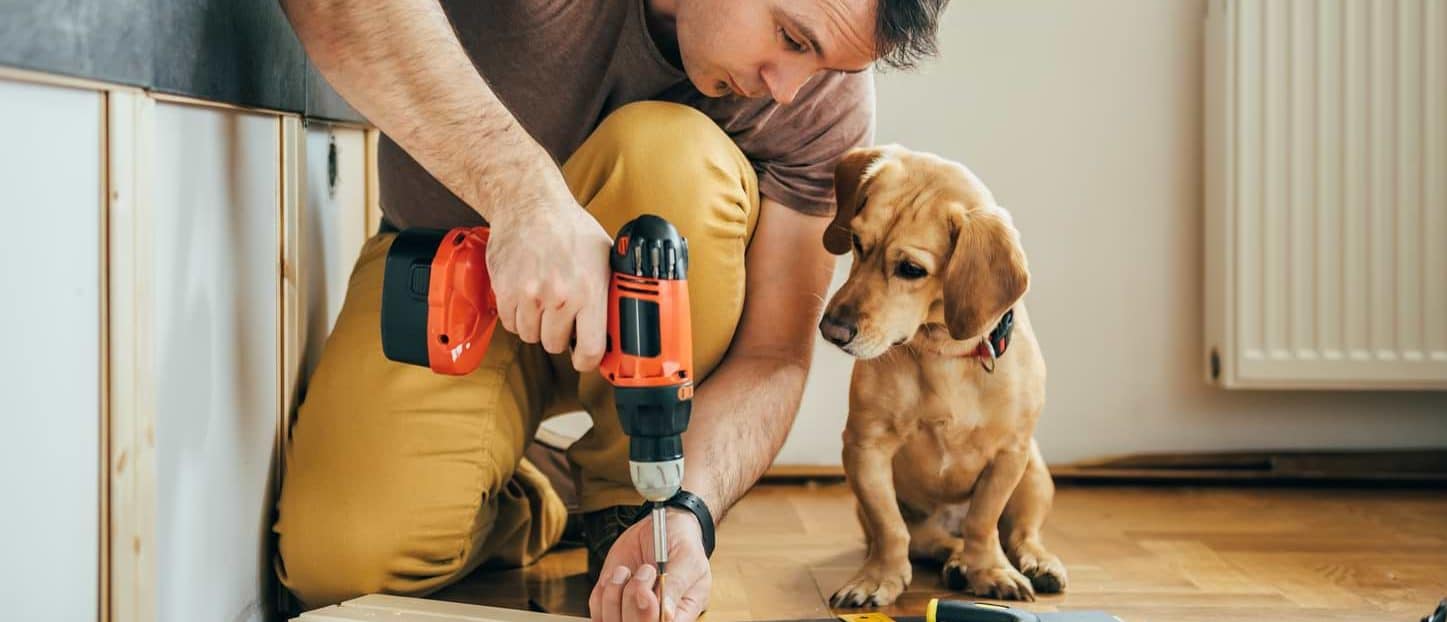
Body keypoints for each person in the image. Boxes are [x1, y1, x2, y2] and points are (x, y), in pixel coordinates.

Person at [271, 1, 947, 621]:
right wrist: (523, 198)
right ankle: (538, 489)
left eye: (824, 64)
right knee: (342, 561)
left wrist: (692, 507)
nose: (787, 89)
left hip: (637, 345)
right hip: (451, 269)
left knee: (668, 152)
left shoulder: (820, 101)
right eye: (792, 38)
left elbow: (772, 356)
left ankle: (629, 502)